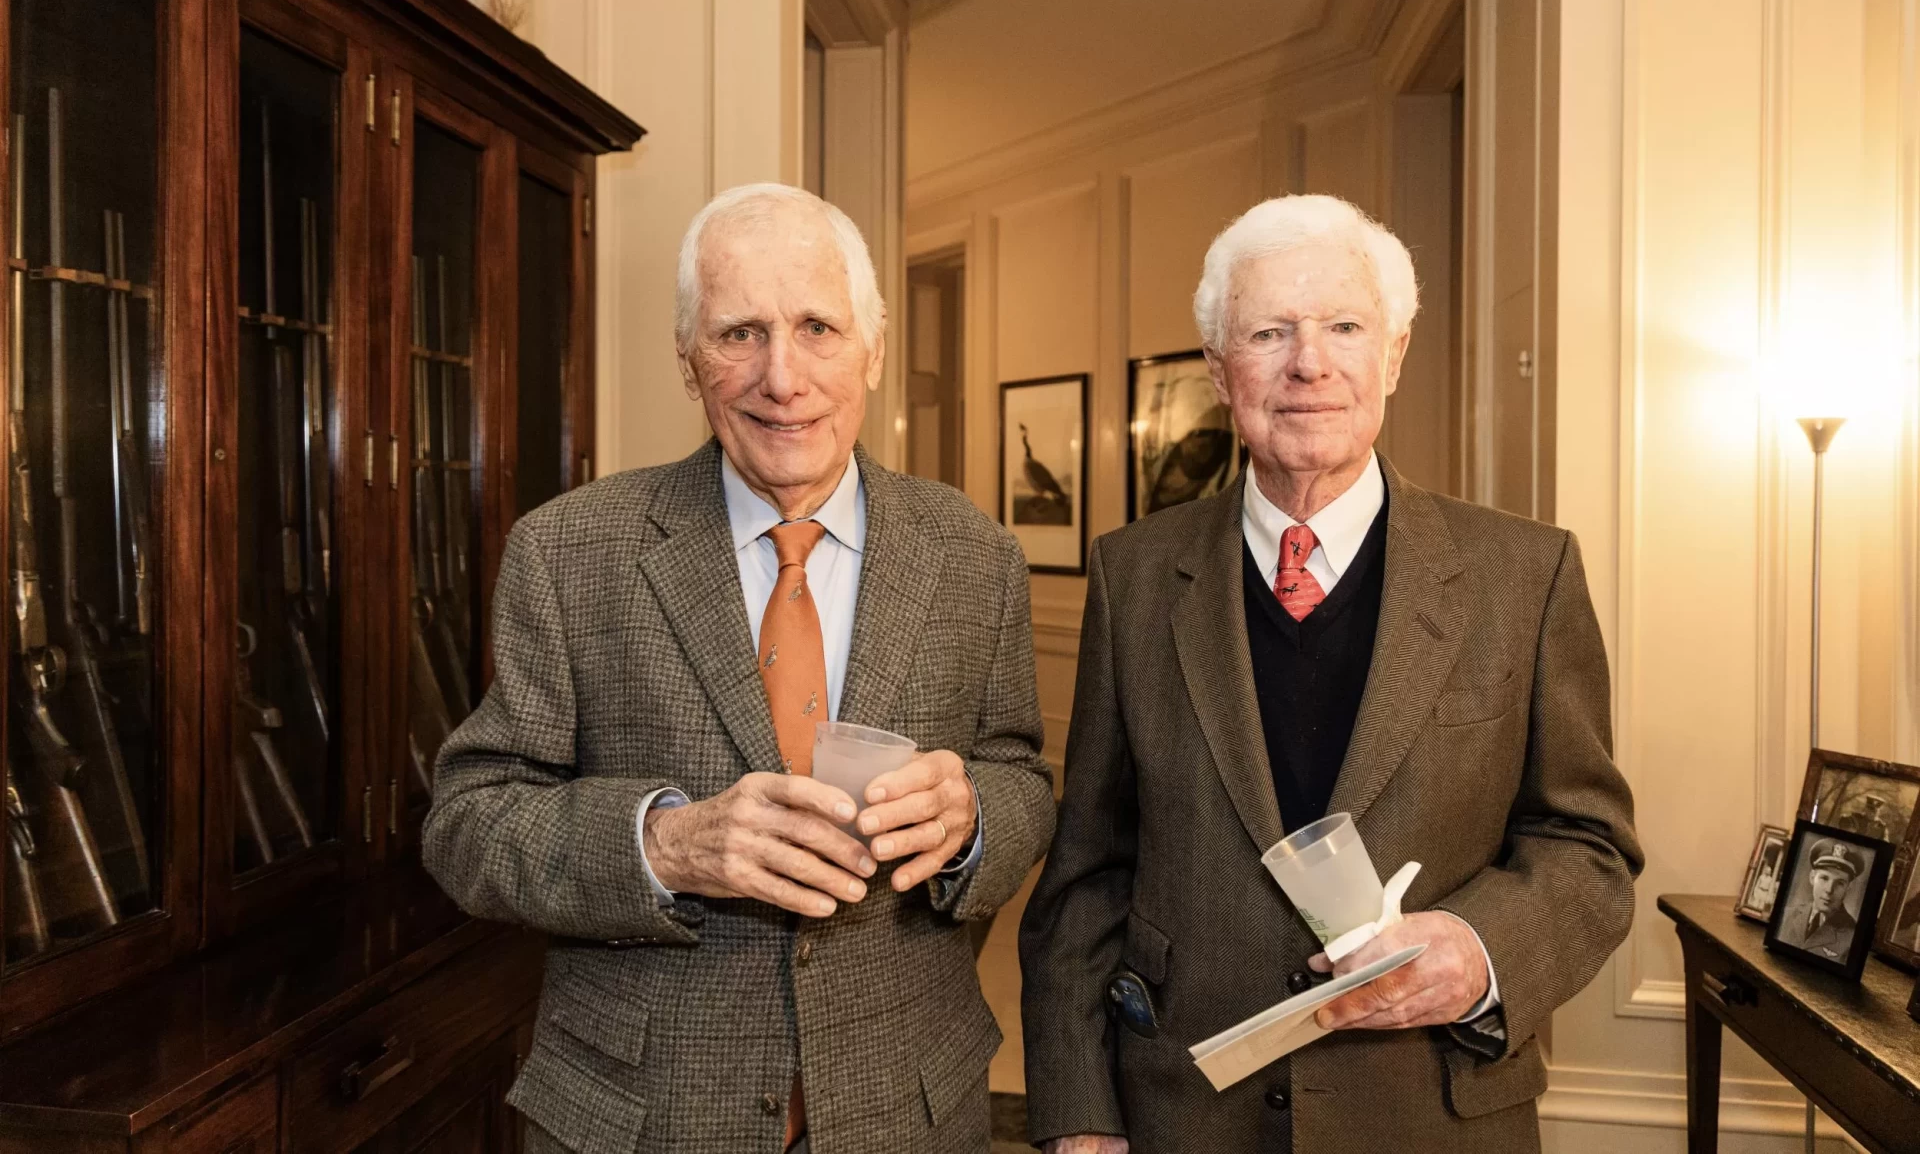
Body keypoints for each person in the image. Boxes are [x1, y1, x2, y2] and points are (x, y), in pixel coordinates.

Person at [423, 184, 1056, 1153]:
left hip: (909, 1108)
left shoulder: (976, 555)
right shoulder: (567, 550)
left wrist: (971, 816)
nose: (782, 378)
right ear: (689, 361)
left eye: (817, 328)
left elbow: (1021, 779)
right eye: (739, 334)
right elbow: (469, 824)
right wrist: (666, 843)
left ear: (873, 349)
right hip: (644, 1119)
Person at [1020, 194, 1643, 1153]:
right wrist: (1079, 1114)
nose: (1308, 363)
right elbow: (1088, 877)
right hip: (1187, 1116)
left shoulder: (1527, 575)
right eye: (1269, 332)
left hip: (1431, 1116)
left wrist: (1480, 949)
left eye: (1344, 327)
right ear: (1221, 371)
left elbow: (1588, 846)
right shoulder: (1133, 576)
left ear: (1393, 355)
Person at [1778, 841, 1864, 960]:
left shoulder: (1852, 937)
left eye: (1840, 883)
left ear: (1848, 888)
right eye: (1824, 878)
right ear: (1812, 877)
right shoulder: (1785, 915)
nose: (1829, 890)